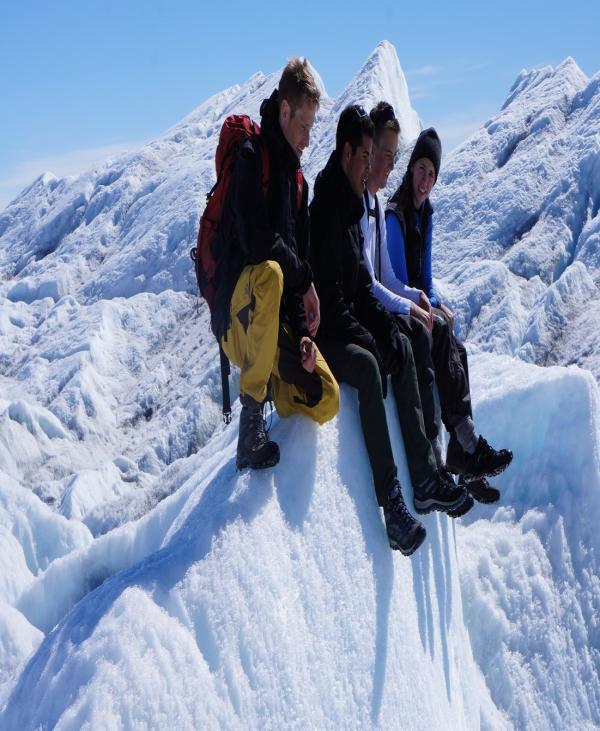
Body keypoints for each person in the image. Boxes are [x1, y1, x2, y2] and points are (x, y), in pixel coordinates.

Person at [310, 105, 467, 555]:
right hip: (326, 331)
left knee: (400, 340)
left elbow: (361, 283)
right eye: (368, 155)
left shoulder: (354, 204)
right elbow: (335, 294)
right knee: (366, 364)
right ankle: (392, 502)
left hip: (345, 320)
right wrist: (369, 338)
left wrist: (384, 330)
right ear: (348, 154)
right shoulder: (328, 210)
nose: (372, 166)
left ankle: (424, 472)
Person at [213, 58, 339, 470]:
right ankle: (250, 428)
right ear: (284, 111)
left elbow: (298, 255)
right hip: (239, 319)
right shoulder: (253, 158)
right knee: (271, 273)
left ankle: (278, 381)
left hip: (273, 321)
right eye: (304, 126)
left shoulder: (297, 182)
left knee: (326, 396)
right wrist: (304, 283)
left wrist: (303, 335)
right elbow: (258, 245)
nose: (307, 138)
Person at [385, 127, 512, 491]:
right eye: (421, 169)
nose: (425, 179)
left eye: (431, 173)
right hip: (398, 308)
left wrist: (440, 304)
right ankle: (469, 444)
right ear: (410, 170)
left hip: (417, 304)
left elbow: (425, 277)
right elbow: (397, 278)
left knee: (459, 350)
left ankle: (465, 459)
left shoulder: (425, 214)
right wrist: (428, 306)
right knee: (440, 334)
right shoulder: (396, 216)